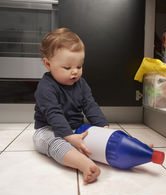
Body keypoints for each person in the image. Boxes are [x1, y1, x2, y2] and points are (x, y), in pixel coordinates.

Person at [33, 28, 109, 185]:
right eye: (67, 68)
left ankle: (132, 147)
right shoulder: (46, 87)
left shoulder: (81, 83)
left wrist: (103, 127)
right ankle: (84, 164)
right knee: (55, 143)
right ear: (48, 64)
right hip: (48, 129)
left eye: (79, 66)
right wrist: (68, 136)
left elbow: (90, 105)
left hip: (76, 128)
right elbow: (53, 113)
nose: (75, 72)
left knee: (97, 134)